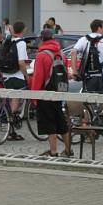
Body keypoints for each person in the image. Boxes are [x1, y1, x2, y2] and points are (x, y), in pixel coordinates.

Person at [71, 19, 103, 138]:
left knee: (88, 107)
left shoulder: (84, 39)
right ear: (99, 28)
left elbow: (73, 52)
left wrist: (74, 70)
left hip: (89, 78)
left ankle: (89, 135)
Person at [30, 28, 73, 157]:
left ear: (42, 39)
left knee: (50, 124)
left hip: (45, 93)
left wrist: (34, 96)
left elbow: (38, 77)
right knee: (61, 121)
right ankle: (68, 150)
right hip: (59, 91)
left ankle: (53, 152)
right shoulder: (61, 54)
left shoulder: (42, 55)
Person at [0, 20, 29, 141]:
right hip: (16, 74)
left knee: (10, 99)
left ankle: (11, 128)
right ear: (23, 30)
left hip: (5, 74)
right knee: (16, 98)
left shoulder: (8, 41)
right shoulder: (21, 43)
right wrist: (26, 75)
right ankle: (11, 120)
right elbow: (21, 63)